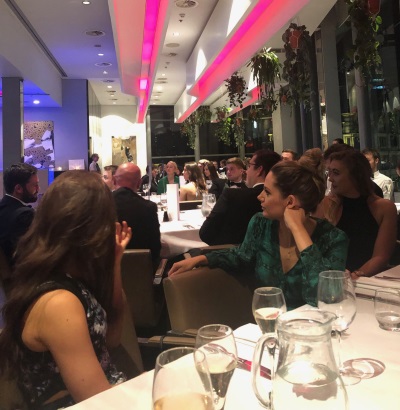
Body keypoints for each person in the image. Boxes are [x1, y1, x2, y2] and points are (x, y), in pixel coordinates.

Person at [0, 171, 131, 408]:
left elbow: (111, 339)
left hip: (110, 394)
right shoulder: (60, 303)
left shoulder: (70, 278)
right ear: (92, 229)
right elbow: (98, 403)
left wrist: (114, 264)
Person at [171, 161, 348, 310]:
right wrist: (201, 258)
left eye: (268, 192)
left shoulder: (333, 239)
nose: (260, 197)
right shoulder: (261, 223)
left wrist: (297, 229)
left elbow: (328, 298)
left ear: (291, 202)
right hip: (267, 328)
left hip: (315, 334)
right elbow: (241, 256)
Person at [317, 149, 397, 279]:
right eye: (329, 172)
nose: (330, 179)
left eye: (336, 173)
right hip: (332, 279)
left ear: (356, 175)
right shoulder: (326, 205)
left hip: (366, 281)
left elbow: (381, 256)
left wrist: (355, 276)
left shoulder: (384, 208)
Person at [199, 150, 281, 246]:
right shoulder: (281, 200)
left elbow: (205, 233)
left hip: (231, 255)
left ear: (259, 170)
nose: (246, 170)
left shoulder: (231, 195)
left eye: (249, 166)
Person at [113, 163, 161, 264]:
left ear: (114, 180)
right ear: (139, 183)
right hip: (142, 272)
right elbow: (156, 248)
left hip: (105, 274)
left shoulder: (99, 205)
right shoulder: (149, 207)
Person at [0, 163, 38, 267]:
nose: (38, 190)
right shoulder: (25, 215)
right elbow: (30, 256)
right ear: (18, 189)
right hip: (21, 278)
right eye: (35, 185)